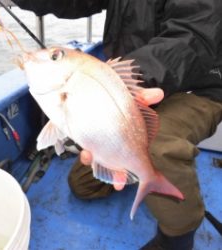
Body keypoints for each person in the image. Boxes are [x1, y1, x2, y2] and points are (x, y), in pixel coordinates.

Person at [12, 1, 222, 249]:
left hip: (194, 88)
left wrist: (126, 84)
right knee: (83, 185)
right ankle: (134, 170)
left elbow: (194, 38)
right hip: (126, 88)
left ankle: (178, 237)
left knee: (158, 145)